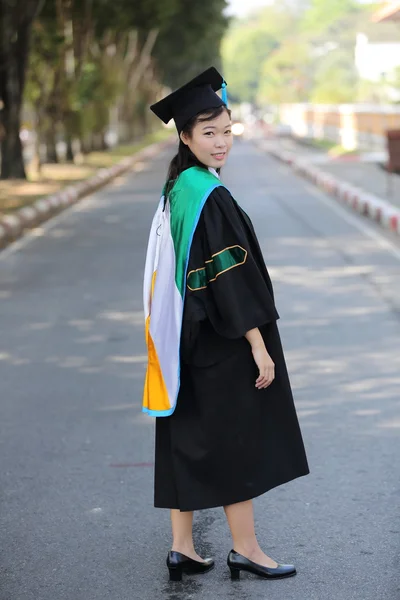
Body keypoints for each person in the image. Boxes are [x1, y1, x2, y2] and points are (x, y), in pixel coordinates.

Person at [142, 67, 310, 582]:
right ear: (185, 136)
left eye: (226, 130)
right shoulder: (209, 196)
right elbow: (229, 277)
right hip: (223, 338)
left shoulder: (179, 188)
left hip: (185, 337)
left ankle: (183, 548)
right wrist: (258, 344)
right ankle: (246, 549)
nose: (220, 143)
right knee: (234, 436)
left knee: (186, 434)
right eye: (208, 132)